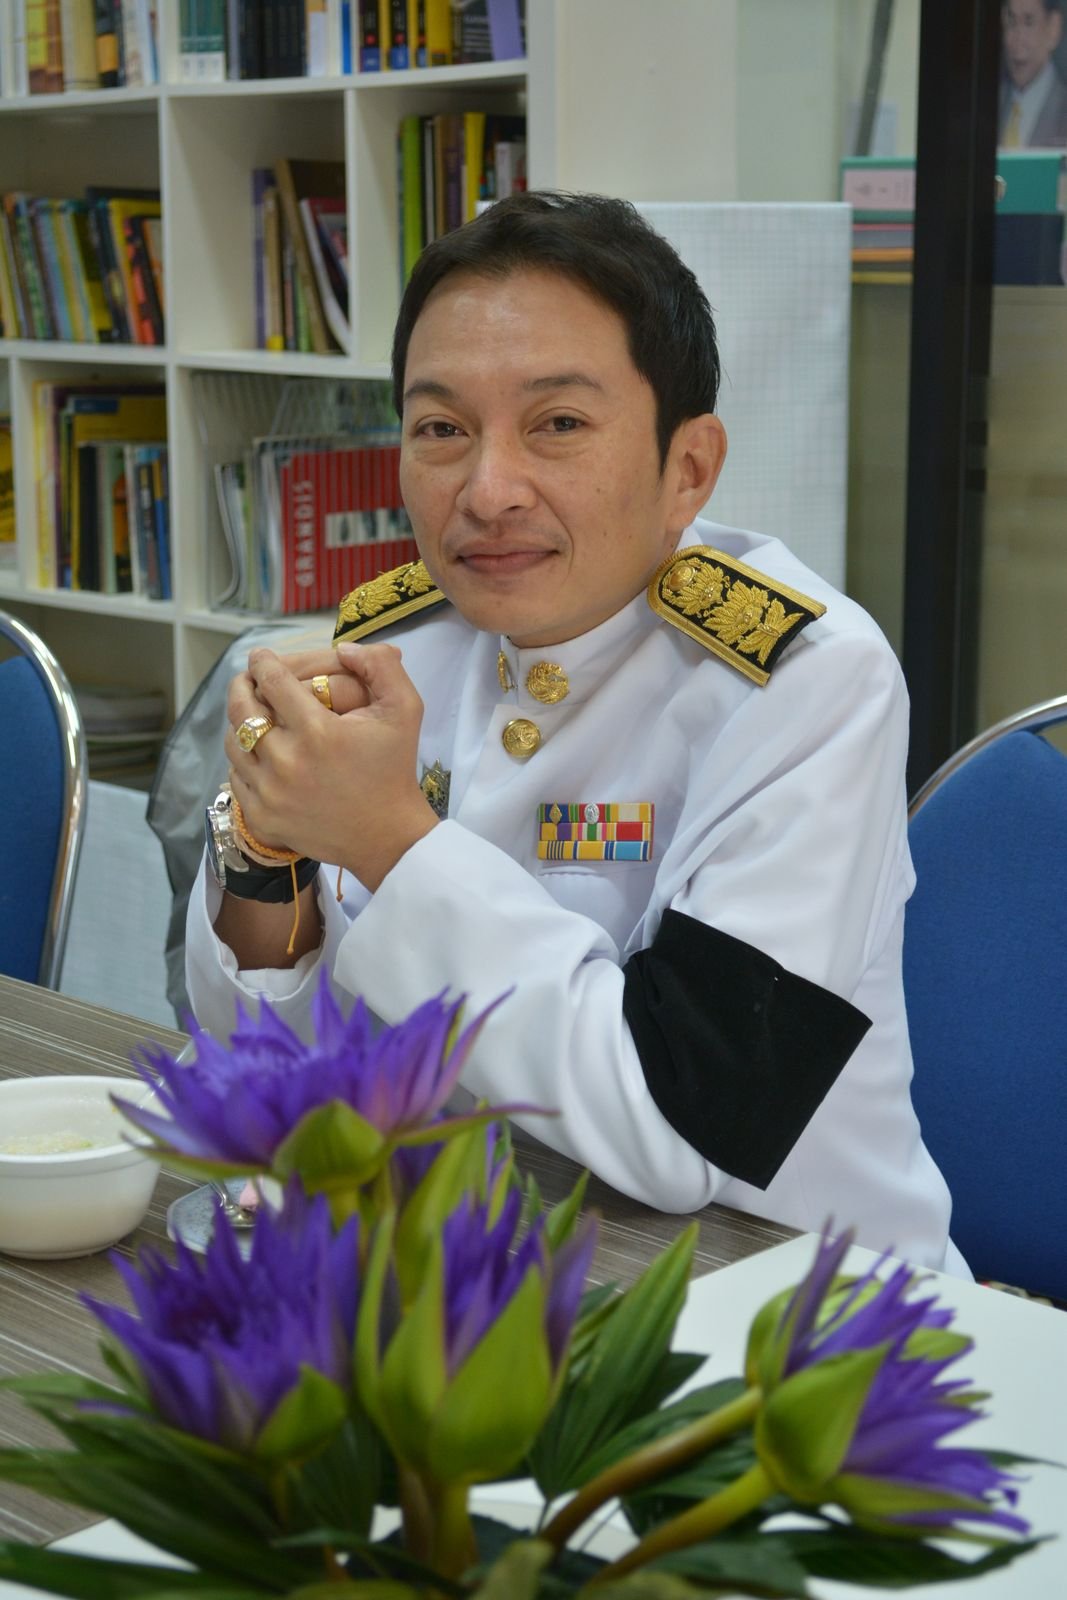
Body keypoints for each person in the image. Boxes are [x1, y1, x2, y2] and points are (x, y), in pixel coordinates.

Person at [187, 190, 965, 1274]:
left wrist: (389, 841)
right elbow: (262, 1064)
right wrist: (263, 844)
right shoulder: (399, 644)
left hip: (788, 1305)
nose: (487, 490)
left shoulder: (804, 681)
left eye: (556, 424)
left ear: (687, 469)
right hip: (466, 1268)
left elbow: (681, 1129)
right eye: (441, 429)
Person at [999, 0, 1067, 147]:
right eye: (1011, 22)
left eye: (1028, 23)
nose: (1018, 40)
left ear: (1053, 28)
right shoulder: (987, 102)